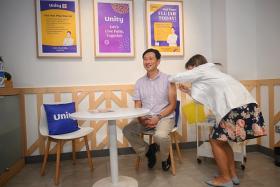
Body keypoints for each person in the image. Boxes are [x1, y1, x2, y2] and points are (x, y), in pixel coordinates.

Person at [169, 54, 266, 187]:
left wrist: (166, 78)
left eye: (190, 70)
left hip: (235, 107)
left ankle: (224, 178)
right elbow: (204, 97)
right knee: (223, 142)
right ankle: (232, 175)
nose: (189, 73)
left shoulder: (203, 69)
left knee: (215, 141)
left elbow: (177, 77)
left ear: (196, 66)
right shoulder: (213, 74)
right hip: (247, 106)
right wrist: (188, 91)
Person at [123, 48, 177, 171]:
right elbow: (137, 104)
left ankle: (164, 158)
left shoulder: (169, 80)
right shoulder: (139, 82)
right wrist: (141, 118)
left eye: (151, 58)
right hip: (145, 117)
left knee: (161, 136)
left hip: (164, 117)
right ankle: (148, 152)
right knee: (127, 130)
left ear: (158, 61)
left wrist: (158, 117)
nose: (147, 61)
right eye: (145, 59)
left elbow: (172, 105)